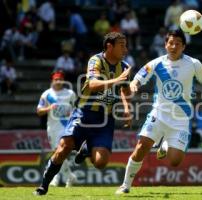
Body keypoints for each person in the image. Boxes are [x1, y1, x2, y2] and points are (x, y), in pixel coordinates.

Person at [116, 29, 202, 194]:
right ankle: (125, 185)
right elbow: (137, 81)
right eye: (170, 43)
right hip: (158, 114)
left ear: (183, 46)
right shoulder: (155, 63)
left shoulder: (193, 64)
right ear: (165, 45)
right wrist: (133, 86)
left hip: (181, 119)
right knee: (141, 147)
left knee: (175, 161)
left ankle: (165, 144)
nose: (173, 46)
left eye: (178, 43)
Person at [34, 32, 132, 196]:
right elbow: (93, 84)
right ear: (109, 46)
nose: (126, 49)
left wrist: (127, 108)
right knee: (63, 149)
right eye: (122, 45)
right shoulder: (96, 60)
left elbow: (125, 90)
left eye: (126, 45)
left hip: (105, 119)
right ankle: (44, 185)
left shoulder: (124, 67)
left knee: (101, 163)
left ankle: (86, 148)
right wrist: (116, 80)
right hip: (84, 113)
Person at [36, 70, 77, 187]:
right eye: (56, 79)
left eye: (60, 79)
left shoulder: (70, 93)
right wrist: (49, 108)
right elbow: (39, 111)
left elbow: (76, 109)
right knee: (57, 152)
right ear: (52, 81)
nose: (58, 82)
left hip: (66, 127)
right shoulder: (47, 94)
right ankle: (69, 176)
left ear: (63, 80)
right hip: (52, 127)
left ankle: (56, 177)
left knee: (59, 151)